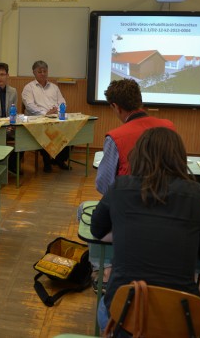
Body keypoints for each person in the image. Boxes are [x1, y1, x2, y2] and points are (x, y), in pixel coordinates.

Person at [90, 127, 200, 333]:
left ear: (138, 155)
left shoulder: (120, 187)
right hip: (181, 321)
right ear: (180, 158)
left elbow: (96, 229)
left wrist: (127, 231)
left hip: (125, 317)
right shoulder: (196, 194)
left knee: (104, 306)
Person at [79, 78, 176, 291]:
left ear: (116, 106)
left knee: (85, 211)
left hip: (132, 215)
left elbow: (104, 186)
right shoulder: (168, 127)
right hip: (168, 211)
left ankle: (104, 270)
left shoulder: (116, 137)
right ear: (140, 100)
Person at [21, 60, 69, 172]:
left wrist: (57, 111)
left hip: (55, 118)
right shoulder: (29, 88)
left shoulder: (54, 87)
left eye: (45, 71)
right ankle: (47, 161)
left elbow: (62, 102)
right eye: (39, 71)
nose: (43, 73)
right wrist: (45, 113)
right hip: (38, 120)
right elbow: (29, 106)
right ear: (34, 72)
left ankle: (59, 159)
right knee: (45, 131)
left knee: (69, 130)